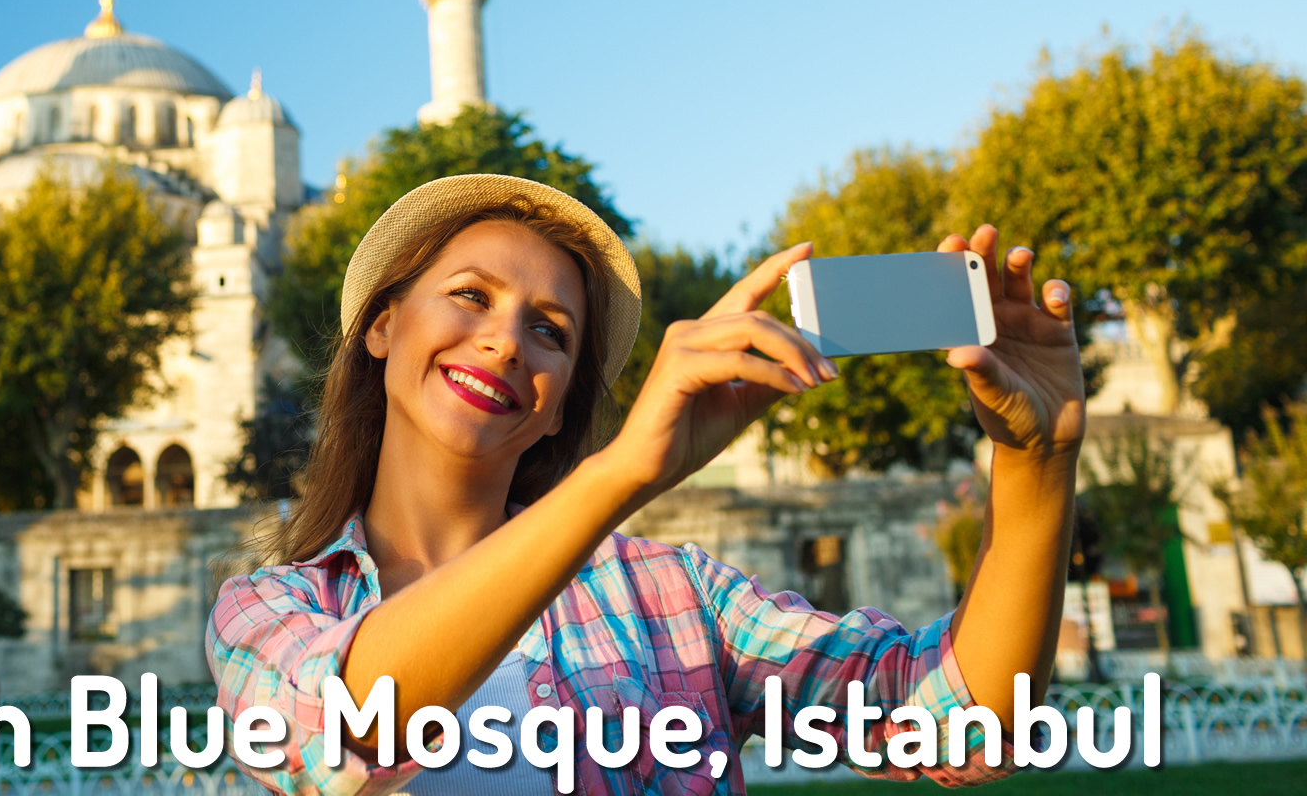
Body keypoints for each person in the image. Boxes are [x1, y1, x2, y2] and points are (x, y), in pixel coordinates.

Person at [207, 174, 1083, 794]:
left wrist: (1036, 466)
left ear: (556, 411)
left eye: (550, 330)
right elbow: (350, 722)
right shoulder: (267, 614)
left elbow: (963, 722)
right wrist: (620, 471)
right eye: (471, 296)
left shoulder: (673, 596)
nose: (507, 341)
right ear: (384, 327)